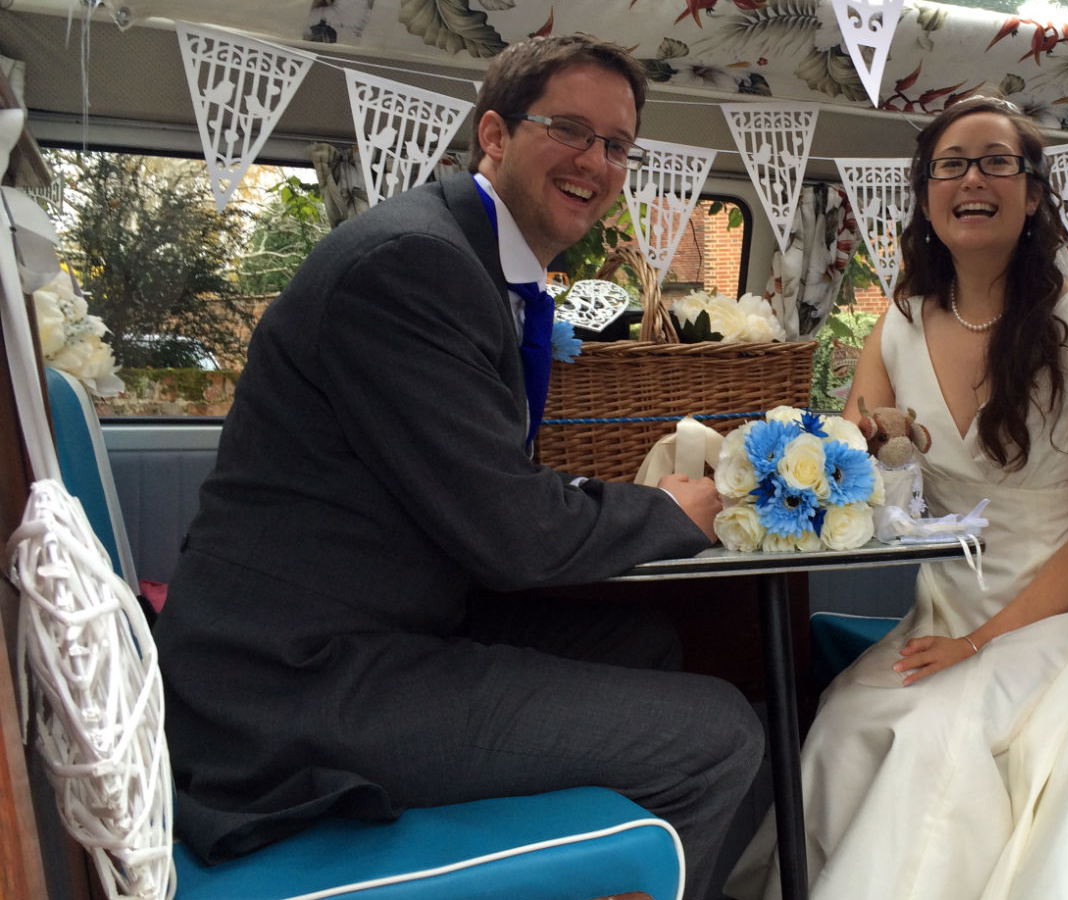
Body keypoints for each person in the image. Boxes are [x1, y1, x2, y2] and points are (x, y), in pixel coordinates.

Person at [152, 34, 764, 900]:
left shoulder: (474, 264)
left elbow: (481, 489)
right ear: (494, 135)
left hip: (381, 622)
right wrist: (670, 511)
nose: (596, 160)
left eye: (617, 145)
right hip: (292, 680)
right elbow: (509, 529)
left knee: (652, 641)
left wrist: (624, 508)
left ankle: (592, 876)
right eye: (570, 130)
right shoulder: (411, 265)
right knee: (724, 736)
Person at [727, 97, 1068, 900]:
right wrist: (855, 454)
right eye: (951, 164)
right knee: (841, 724)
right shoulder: (897, 322)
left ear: (1033, 194)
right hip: (945, 610)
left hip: (1067, 612)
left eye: (998, 161)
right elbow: (860, 461)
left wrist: (982, 643)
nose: (973, 178)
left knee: (942, 735)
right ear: (927, 193)